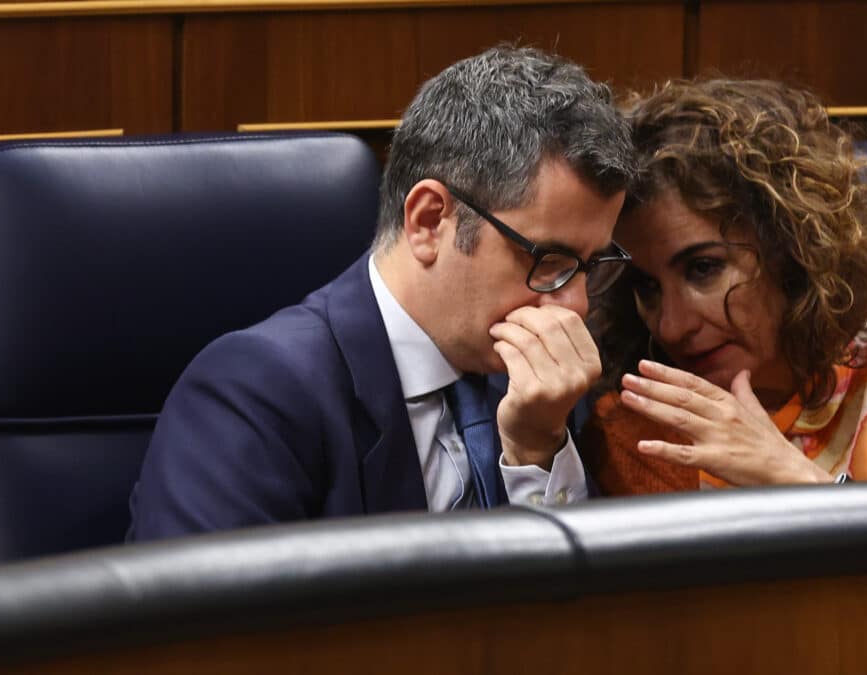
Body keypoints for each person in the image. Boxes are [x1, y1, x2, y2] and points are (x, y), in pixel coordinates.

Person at [129, 46, 637, 539]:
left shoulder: (550, 389)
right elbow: (209, 623)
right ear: (429, 221)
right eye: (548, 261)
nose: (576, 305)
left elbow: (587, 617)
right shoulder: (256, 394)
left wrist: (538, 452)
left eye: (590, 267)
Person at [582, 78, 867, 494]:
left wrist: (794, 479)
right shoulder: (641, 433)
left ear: (791, 247)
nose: (673, 325)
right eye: (647, 286)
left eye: (703, 269)